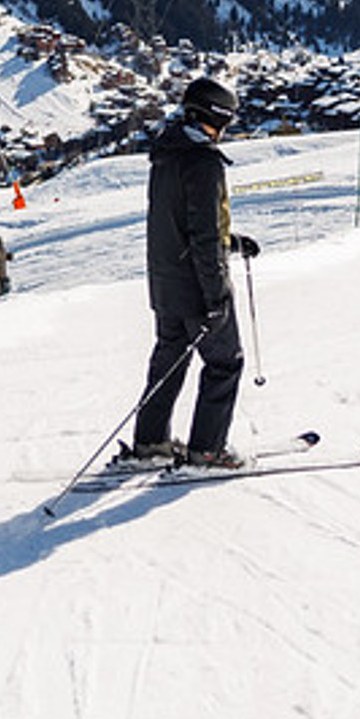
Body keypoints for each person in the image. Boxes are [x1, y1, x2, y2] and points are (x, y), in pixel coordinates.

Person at [130, 76, 260, 469]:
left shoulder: (167, 153)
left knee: (170, 358)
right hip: (197, 288)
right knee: (225, 362)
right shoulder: (204, 162)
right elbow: (202, 235)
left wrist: (231, 241)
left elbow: (179, 222)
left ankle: (151, 443)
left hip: (165, 283)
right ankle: (207, 450)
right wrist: (217, 295)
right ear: (217, 118)